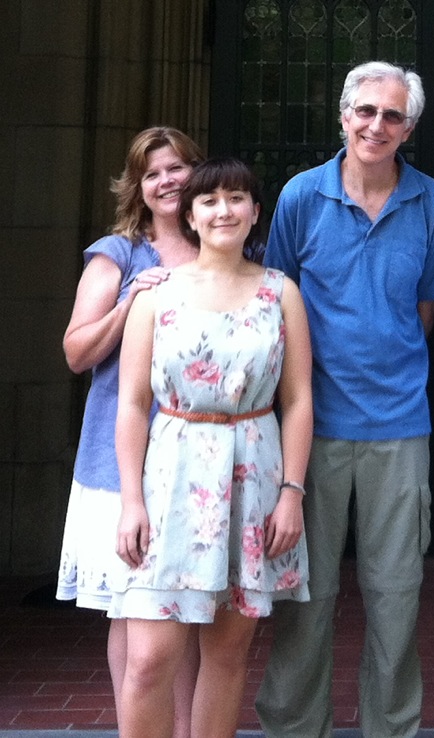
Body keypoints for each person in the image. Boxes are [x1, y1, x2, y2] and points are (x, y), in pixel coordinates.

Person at [254, 61, 434, 738]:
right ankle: (292, 728)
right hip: (311, 427)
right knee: (305, 597)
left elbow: (427, 305)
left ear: (409, 127)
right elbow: (276, 301)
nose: (376, 125)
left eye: (392, 115)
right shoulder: (301, 198)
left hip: (399, 426)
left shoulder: (429, 201)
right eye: (365, 111)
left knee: (396, 597)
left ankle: (391, 729)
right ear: (343, 115)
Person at [112, 157, 313, 738]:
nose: (223, 210)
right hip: (170, 477)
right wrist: (131, 500)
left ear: (255, 213)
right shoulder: (156, 295)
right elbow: (130, 404)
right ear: (190, 214)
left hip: (253, 478)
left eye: (236, 198)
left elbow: (298, 400)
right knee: (150, 660)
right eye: (208, 200)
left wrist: (291, 494)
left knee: (226, 659)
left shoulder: (281, 293)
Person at [56, 126, 205, 736]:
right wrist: (128, 304)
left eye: (177, 168)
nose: (167, 181)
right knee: (131, 610)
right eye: (153, 173)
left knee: (189, 611)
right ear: (138, 188)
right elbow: (75, 352)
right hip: (122, 466)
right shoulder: (117, 254)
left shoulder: (225, 247)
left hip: (200, 460)